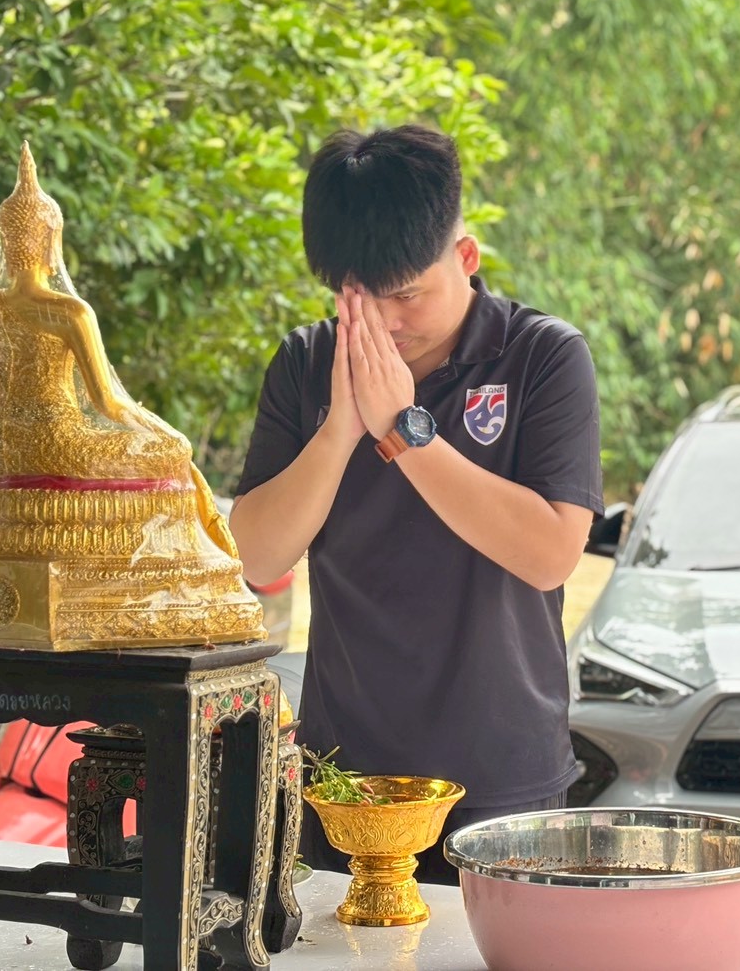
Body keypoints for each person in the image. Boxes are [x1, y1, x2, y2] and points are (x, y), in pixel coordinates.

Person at [229, 124, 603, 884]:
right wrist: (340, 428)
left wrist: (406, 432)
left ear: (464, 257)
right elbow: (255, 557)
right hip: (345, 778)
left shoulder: (542, 357)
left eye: (407, 295)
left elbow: (550, 554)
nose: (389, 324)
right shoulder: (306, 365)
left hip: (503, 778)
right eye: (363, 299)